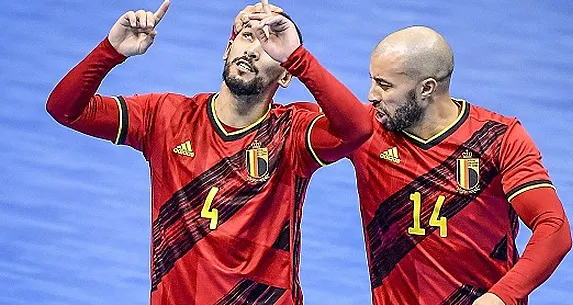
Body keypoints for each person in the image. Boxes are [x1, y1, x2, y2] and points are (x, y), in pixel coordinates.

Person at [45, 1, 372, 304]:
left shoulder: (294, 132)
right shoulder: (165, 117)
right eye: (246, 37)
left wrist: (299, 58)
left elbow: (357, 128)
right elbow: (65, 109)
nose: (253, 50)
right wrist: (111, 50)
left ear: (287, 73)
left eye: (269, 45)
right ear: (228, 49)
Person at [346, 26, 572, 305]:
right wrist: (291, 54)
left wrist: (501, 297)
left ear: (426, 88)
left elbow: (554, 228)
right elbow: (291, 118)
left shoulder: (499, 138)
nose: (371, 95)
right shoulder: (366, 131)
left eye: (385, 84)